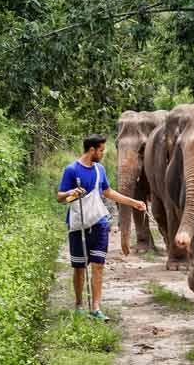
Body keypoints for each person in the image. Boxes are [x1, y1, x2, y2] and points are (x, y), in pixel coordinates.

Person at [57, 134, 146, 320]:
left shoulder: (99, 170)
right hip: (78, 225)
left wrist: (133, 202)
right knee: (80, 267)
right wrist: (72, 193)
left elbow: (108, 192)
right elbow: (60, 198)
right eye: (101, 150)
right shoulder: (72, 170)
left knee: (98, 265)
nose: (102, 153)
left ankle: (96, 307)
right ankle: (79, 305)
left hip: (99, 223)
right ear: (92, 150)